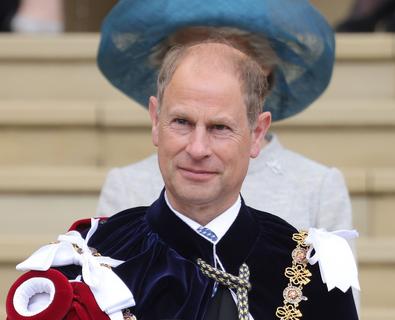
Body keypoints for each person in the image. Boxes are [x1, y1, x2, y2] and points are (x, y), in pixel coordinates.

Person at [0, 39, 392, 320]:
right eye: (182, 123)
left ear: (258, 133)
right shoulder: (87, 266)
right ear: (154, 121)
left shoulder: (308, 271)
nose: (198, 148)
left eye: (220, 128)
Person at [95, 0, 352, 235]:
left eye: (225, 51)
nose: (207, 64)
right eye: (189, 52)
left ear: (262, 65)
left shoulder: (318, 187)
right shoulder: (126, 187)